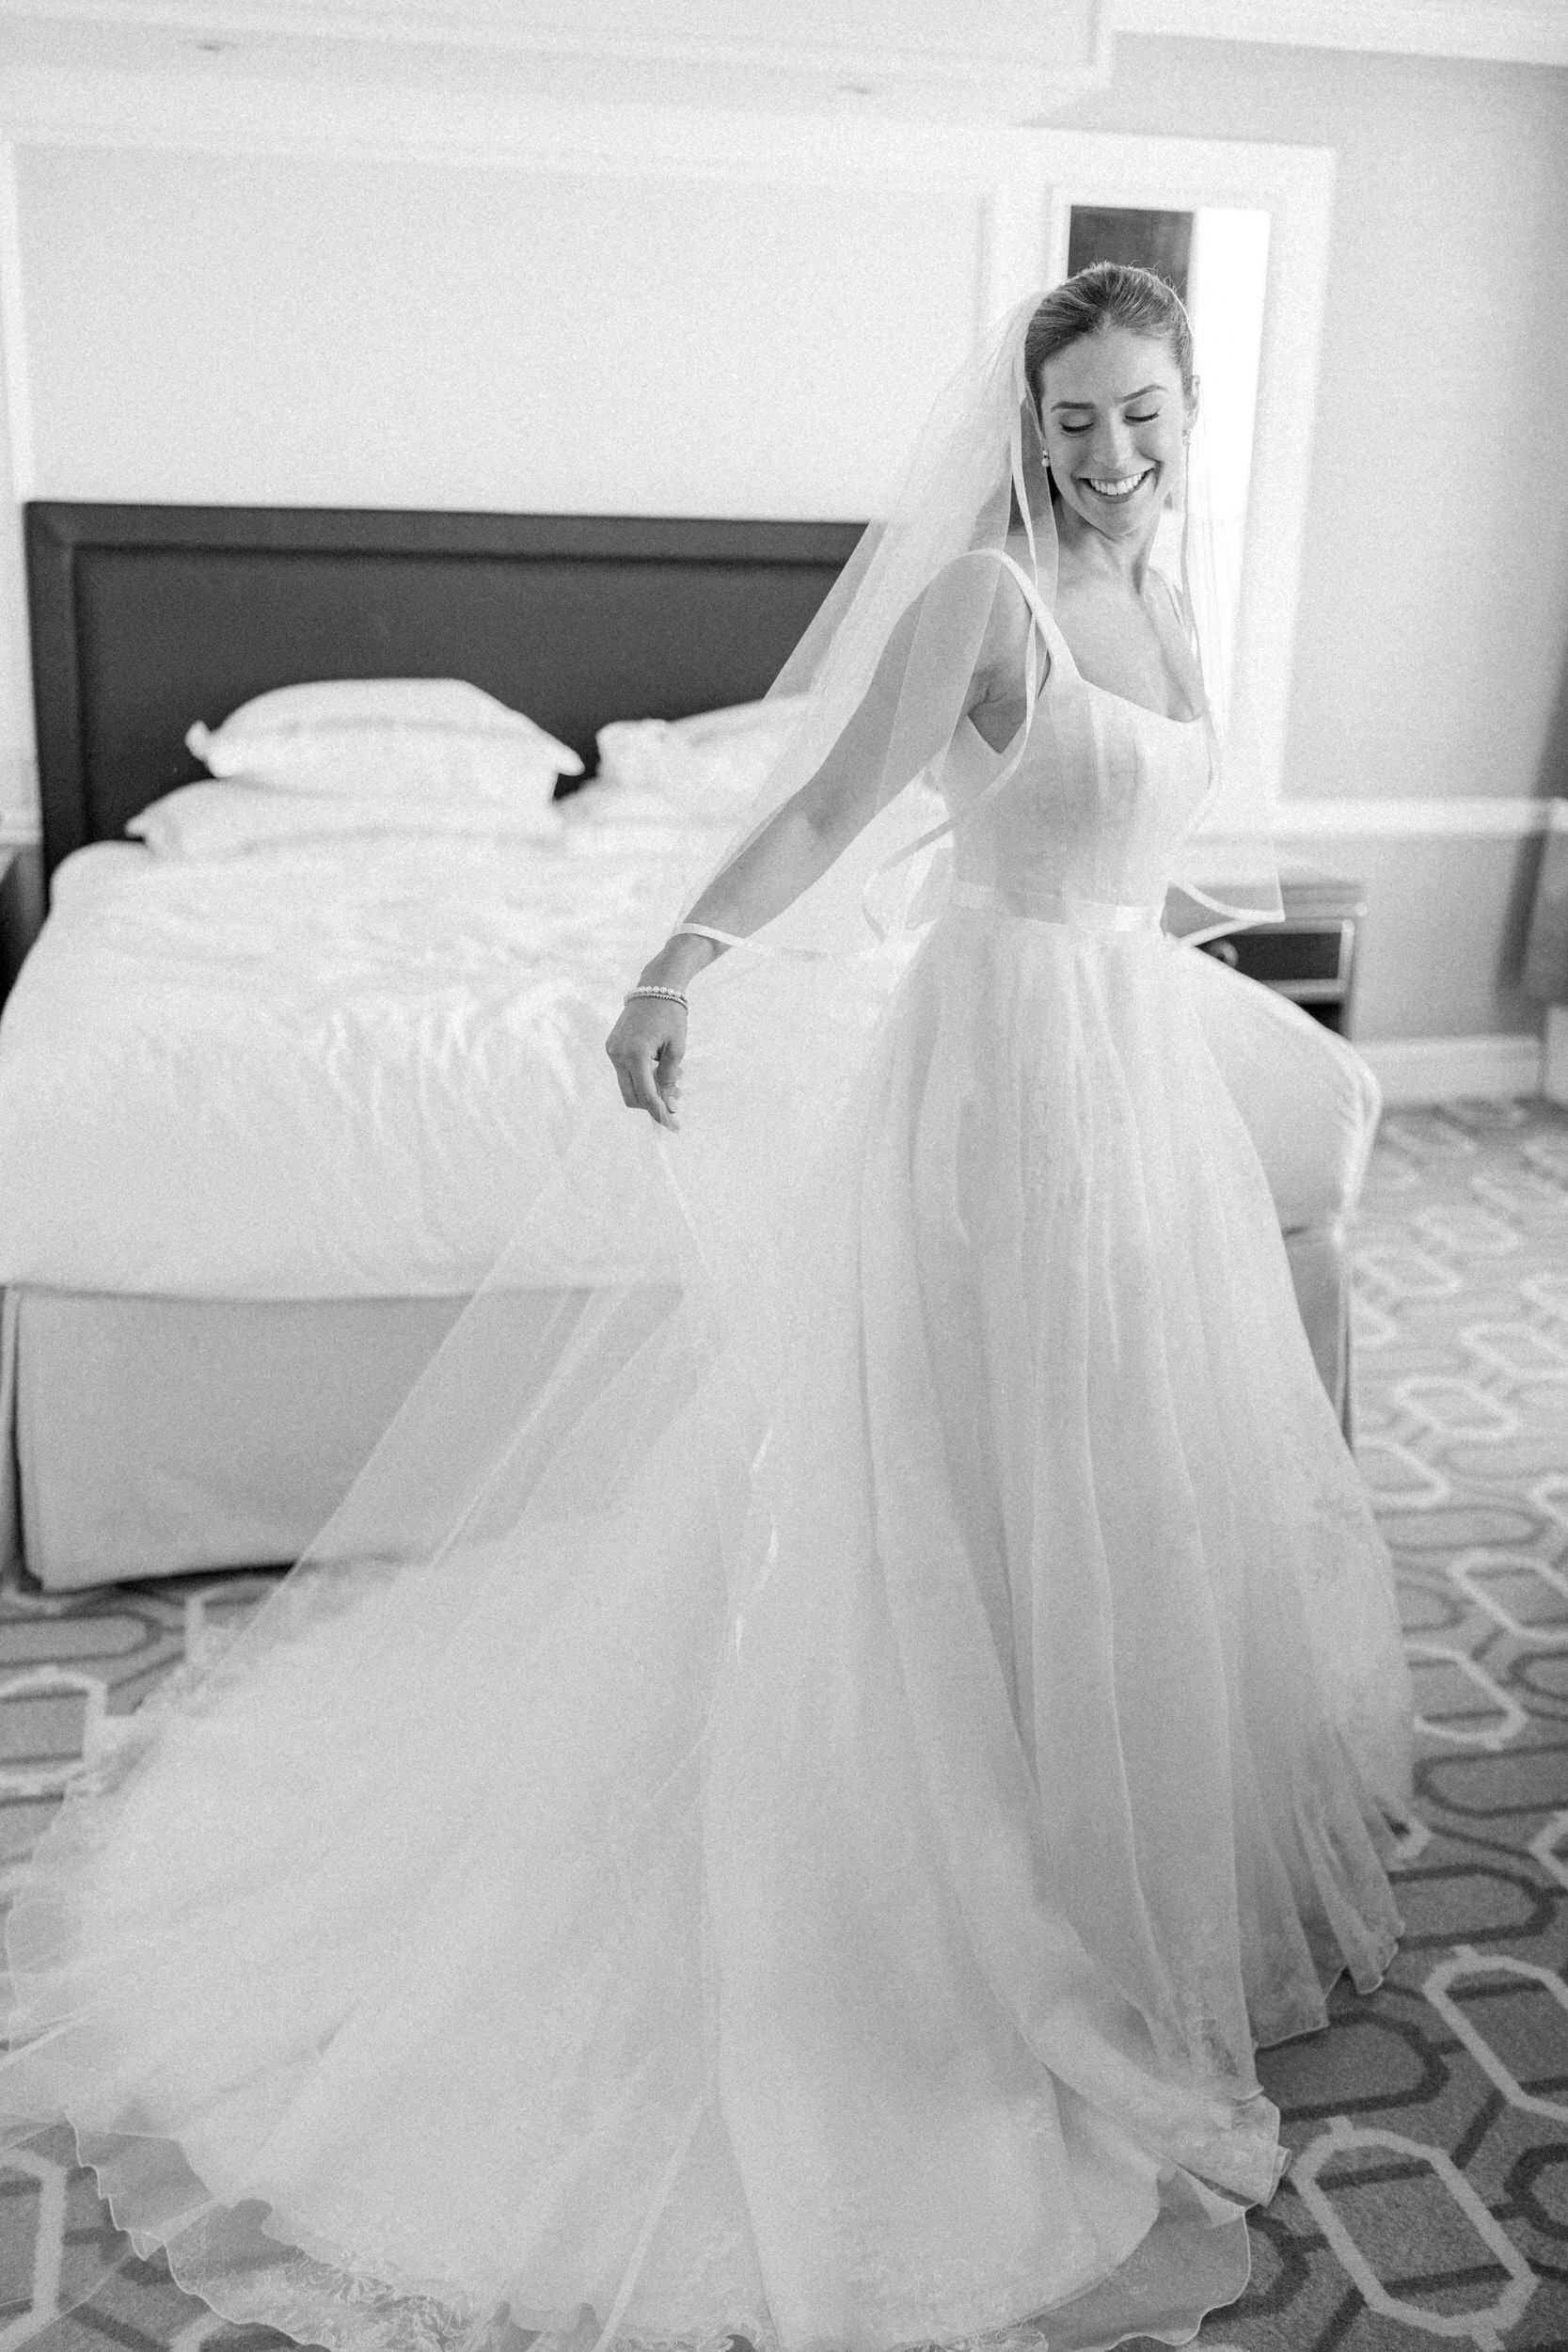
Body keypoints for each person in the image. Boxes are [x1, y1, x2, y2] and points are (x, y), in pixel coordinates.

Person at [0, 269, 1414, 2352]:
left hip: (1136, 1084)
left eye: (1137, 416)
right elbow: (835, 807)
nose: (1104, 453)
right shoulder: (983, 603)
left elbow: (1155, 840)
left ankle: (1115, 1823)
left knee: (1126, 1450)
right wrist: (670, 963)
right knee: (972, 1445)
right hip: (1001, 1073)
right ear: (1022, 420)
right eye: (1072, 419)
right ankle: (954, 1855)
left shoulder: (1174, 590)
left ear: (1183, 413)